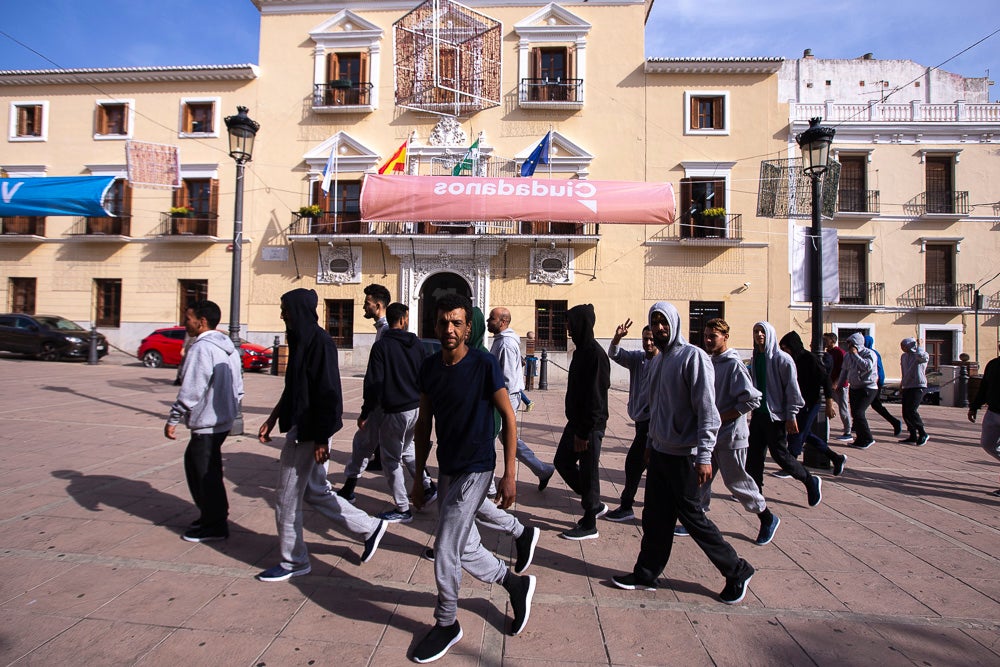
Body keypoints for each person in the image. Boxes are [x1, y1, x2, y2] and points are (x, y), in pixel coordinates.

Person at [410, 293, 535, 663]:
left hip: (478, 467)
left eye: (457, 322)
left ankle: (446, 622)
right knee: (463, 547)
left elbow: (508, 416)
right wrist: (418, 477)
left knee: (446, 546)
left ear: (467, 329)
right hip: (448, 466)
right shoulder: (430, 368)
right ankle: (514, 583)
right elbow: (424, 423)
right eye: (443, 322)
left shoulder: (483, 364)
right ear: (434, 326)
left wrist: (510, 474)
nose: (449, 329)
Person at [611, 302, 755, 604]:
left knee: (693, 518)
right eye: (655, 322)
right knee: (654, 517)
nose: (659, 328)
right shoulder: (659, 361)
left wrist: (704, 456)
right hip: (661, 453)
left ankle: (737, 569)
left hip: (686, 457)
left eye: (664, 322)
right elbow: (656, 409)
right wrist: (650, 444)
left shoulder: (694, 357)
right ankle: (646, 573)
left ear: (674, 323)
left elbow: (707, 411)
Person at [256, 288, 387, 582]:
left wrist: (320, 438)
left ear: (298, 311)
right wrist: (273, 418)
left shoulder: (321, 343)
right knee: (315, 491)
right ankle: (369, 527)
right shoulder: (300, 340)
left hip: (310, 432)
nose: (282, 315)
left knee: (286, 497)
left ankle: (294, 561)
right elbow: (294, 388)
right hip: (303, 427)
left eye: (286, 310)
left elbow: (329, 394)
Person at [164, 300, 244, 542]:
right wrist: (232, 407)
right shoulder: (228, 346)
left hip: (208, 422)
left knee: (203, 474)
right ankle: (212, 516)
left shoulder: (201, 348)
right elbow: (239, 385)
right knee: (206, 469)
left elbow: (192, 388)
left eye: (188, 319)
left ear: (202, 321)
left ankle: (215, 524)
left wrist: (174, 417)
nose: (185, 323)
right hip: (221, 420)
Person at [701, 319, 781, 546]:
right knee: (700, 478)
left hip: (731, 436)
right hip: (711, 434)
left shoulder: (734, 365)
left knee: (737, 482)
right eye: (706, 336)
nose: (708, 340)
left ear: (725, 337)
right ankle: (697, 519)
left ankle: (766, 517)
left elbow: (753, 399)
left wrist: (722, 417)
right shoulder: (711, 361)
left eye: (713, 336)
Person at [358, 302, 437, 523]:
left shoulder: (381, 346)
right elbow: (426, 374)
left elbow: (373, 382)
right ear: (402, 320)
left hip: (395, 411)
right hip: (416, 408)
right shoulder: (417, 344)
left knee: (390, 460)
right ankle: (428, 487)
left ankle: (402, 508)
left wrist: (366, 412)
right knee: (408, 450)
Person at [746, 322, 823, 507]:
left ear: (770, 334)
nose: (759, 334)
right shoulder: (756, 358)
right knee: (754, 456)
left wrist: (791, 415)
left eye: (763, 331)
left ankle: (810, 480)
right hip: (759, 414)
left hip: (777, 416)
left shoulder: (782, 359)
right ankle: (756, 493)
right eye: (756, 331)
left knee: (781, 455)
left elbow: (792, 389)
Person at [554, 304, 611, 540]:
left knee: (589, 472)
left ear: (581, 324)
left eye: (570, 322)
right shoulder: (580, 351)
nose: (567, 327)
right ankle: (594, 502)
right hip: (577, 423)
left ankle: (589, 524)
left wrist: (584, 432)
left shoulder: (595, 355)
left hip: (589, 426)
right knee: (562, 461)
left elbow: (596, 398)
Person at [487, 306, 556, 489]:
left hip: (506, 398)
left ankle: (489, 485)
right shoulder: (501, 341)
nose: (488, 321)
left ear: (503, 322)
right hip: (504, 397)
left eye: (492, 318)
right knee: (508, 439)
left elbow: (508, 380)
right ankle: (542, 470)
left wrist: (500, 403)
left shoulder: (506, 344)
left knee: (491, 436)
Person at [338, 283, 392, 500]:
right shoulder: (383, 330)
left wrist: (367, 407)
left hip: (381, 402)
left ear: (378, 305)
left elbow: (379, 374)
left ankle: (349, 488)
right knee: (402, 450)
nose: (363, 307)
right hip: (385, 401)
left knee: (362, 444)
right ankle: (426, 488)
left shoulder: (386, 332)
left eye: (367, 303)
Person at [604, 318, 658, 522]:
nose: (649, 343)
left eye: (652, 339)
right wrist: (617, 337)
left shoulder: (664, 362)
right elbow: (615, 354)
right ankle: (659, 504)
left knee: (634, 463)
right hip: (640, 419)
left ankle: (627, 505)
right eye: (645, 339)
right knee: (650, 464)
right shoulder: (638, 359)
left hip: (653, 422)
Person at [778, 330, 848, 476]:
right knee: (807, 434)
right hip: (798, 402)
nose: (785, 351)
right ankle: (836, 458)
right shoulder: (791, 360)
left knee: (796, 432)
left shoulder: (810, 359)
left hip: (811, 402)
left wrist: (829, 404)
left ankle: (791, 465)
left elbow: (826, 380)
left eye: (786, 348)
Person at [836, 333, 879, 450]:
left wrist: (855, 355)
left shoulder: (869, 353)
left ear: (856, 343)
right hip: (854, 387)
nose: (848, 345)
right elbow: (844, 371)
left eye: (850, 343)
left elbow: (867, 367)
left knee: (859, 413)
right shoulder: (847, 356)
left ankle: (868, 438)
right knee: (855, 414)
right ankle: (860, 439)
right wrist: (839, 385)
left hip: (868, 388)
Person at [969, 354, 1000, 497]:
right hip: (993, 411)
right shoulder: (993, 364)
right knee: (988, 444)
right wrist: (974, 406)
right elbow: (984, 387)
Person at [865, 335, 903, 436]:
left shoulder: (871, 353)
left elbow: (878, 369)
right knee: (871, 405)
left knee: (866, 404)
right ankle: (856, 424)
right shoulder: (868, 352)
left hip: (874, 382)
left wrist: (879, 382)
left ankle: (895, 422)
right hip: (870, 382)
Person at [900, 338, 931, 446]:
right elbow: (904, 371)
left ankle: (922, 433)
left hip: (918, 385)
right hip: (907, 385)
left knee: (912, 410)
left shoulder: (920, 354)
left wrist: (920, 347)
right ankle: (912, 434)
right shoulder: (904, 356)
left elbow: (922, 358)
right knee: (905, 412)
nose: (902, 348)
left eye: (904, 345)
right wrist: (902, 383)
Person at [824, 332, 852, 441]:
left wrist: (836, 383)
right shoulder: (827, 352)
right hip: (830, 385)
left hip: (840, 386)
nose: (824, 342)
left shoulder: (840, 353)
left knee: (843, 408)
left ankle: (848, 431)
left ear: (832, 341)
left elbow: (843, 370)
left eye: (826, 340)